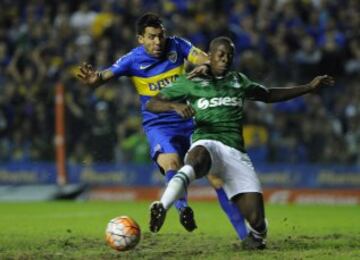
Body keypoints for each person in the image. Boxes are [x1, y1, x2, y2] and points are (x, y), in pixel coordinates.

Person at [146, 36, 334, 249]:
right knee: (195, 159)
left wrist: (308, 87)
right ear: (211, 55)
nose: (225, 59)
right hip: (207, 142)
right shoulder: (191, 81)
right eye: (221, 54)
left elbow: (269, 95)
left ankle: (256, 235)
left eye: (229, 55)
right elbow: (153, 103)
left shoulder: (239, 81)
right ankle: (162, 207)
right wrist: (174, 107)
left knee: (257, 222)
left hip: (235, 153)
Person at [77, 13, 248, 237]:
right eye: (151, 37)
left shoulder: (178, 45)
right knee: (172, 163)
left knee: (216, 178)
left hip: (190, 120)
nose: (157, 42)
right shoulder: (132, 60)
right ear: (140, 39)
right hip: (158, 124)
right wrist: (95, 80)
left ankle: (247, 237)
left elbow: (205, 59)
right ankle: (182, 208)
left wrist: (205, 67)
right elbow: (104, 76)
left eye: (160, 36)